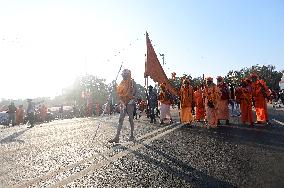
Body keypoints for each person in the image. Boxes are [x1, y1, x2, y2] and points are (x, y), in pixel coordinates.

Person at [108, 69, 137, 143]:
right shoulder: (122, 82)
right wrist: (115, 86)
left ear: (128, 75)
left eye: (125, 74)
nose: (123, 76)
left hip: (130, 103)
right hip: (123, 102)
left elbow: (135, 93)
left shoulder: (132, 82)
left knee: (130, 119)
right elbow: (119, 91)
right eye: (123, 75)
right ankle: (117, 137)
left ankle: (132, 135)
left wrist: (132, 99)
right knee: (120, 119)